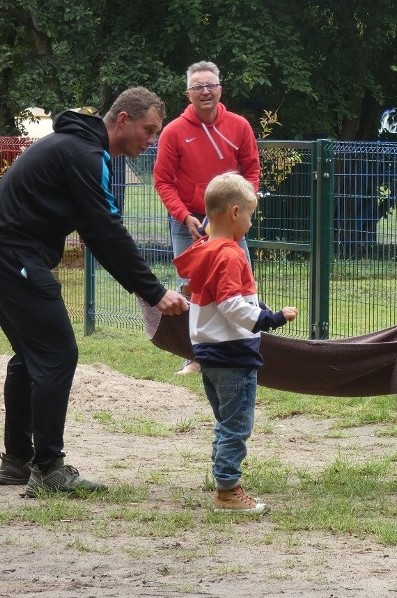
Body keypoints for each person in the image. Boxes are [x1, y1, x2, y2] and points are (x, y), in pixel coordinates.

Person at [0, 87, 189, 496]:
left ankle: (17, 460)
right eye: (148, 129)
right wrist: (154, 291)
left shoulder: (75, 147)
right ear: (122, 120)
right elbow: (106, 231)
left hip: (11, 256)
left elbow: (95, 230)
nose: (152, 140)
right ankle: (48, 469)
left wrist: (144, 288)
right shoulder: (85, 155)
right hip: (13, 257)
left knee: (30, 358)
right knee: (57, 354)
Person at [173, 172, 297, 512]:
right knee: (237, 424)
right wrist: (268, 319)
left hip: (209, 353)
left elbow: (221, 300)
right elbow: (231, 305)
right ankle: (227, 492)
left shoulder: (206, 250)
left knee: (226, 421)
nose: (252, 223)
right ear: (234, 212)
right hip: (233, 355)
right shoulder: (229, 254)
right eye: (251, 214)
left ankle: (221, 476)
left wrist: (258, 307)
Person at [154, 60, 260, 375]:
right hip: (189, 221)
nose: (205, 92)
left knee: (241, 281)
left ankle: (246, 346)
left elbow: (251, 170)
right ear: (188, 93)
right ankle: (194, 356)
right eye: (198, 86)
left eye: (210, 85)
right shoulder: (173, 131)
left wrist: (241, 207)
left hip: (230, 219)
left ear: (220, 89)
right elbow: (162, 180)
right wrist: (183, 215)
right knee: (191, 287)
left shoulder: (239, 125)